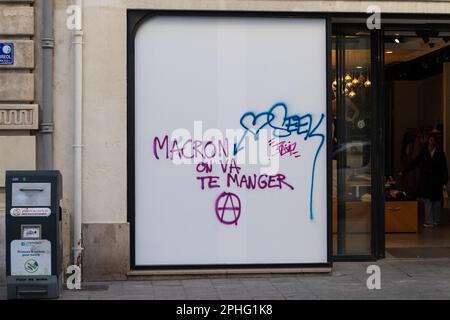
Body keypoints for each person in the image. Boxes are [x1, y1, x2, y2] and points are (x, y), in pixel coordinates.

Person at [400, 133, 449, 228]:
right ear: (428, 141)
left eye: (434, 140)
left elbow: (444, 168)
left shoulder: (440, 153)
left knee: (437, 201)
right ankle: (429, 221)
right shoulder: (424, 152)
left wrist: (445, 181)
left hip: (437, 181)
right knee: (427, 201)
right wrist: (405, 171)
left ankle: (436, 220)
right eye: (430, 140)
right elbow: (414, 162)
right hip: (426, 180)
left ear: (436, 142)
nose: (432, 142)